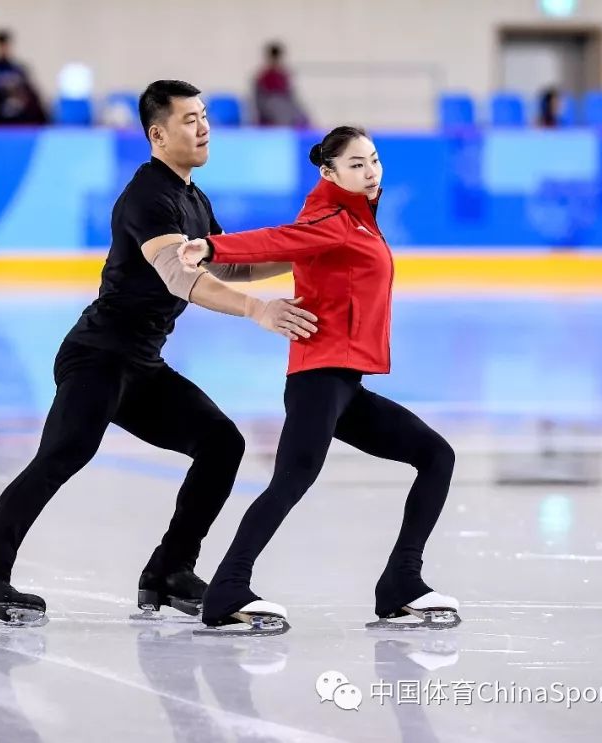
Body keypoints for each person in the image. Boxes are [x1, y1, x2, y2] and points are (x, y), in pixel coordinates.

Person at [0, 80, 320, 625]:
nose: (203, 127)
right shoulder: (149, 195)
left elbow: (227, 265)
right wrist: (256, 309)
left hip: (141, 365)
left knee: (220, 444)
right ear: (157, 133)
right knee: (63, 454)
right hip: (98, 355)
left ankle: (169, 572)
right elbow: (178, 275)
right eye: (189, 119)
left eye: (204, 116)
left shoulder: (193, 198)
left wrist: (302, 251)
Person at [178, 126, 460, 635]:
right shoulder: (331, 219)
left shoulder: (357, 220)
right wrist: (211, 248)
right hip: (319, 380)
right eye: (356, 165)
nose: (370, 171)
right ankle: (227, 590)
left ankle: (402, 583)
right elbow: (279, 239)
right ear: (329, 172)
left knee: (436, 455)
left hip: (342, 384)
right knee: (291, 481)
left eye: (373, 160)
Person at [0, 29, 48, 126]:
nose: (2, 49)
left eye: (5, 45)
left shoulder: (18, 70)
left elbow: (30, 93)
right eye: (0, 45)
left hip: (19, 118)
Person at [253, 42, 310, 127]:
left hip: (285, 107)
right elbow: (260, 101)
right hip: (272, 110)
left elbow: (290, 96)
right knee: (280, 108)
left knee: (302, 115)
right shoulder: (263, 76)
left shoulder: (283, 75)